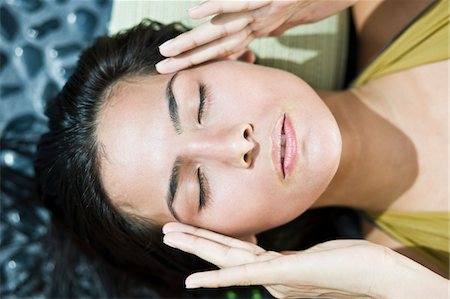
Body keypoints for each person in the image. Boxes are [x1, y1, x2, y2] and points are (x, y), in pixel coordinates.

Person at [35, 0, 449, 298]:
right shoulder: (416, 277)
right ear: (226, 241)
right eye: (198, 187)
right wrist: (387, 281)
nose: (236, 144)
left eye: (201, 103)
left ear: (231, 56)